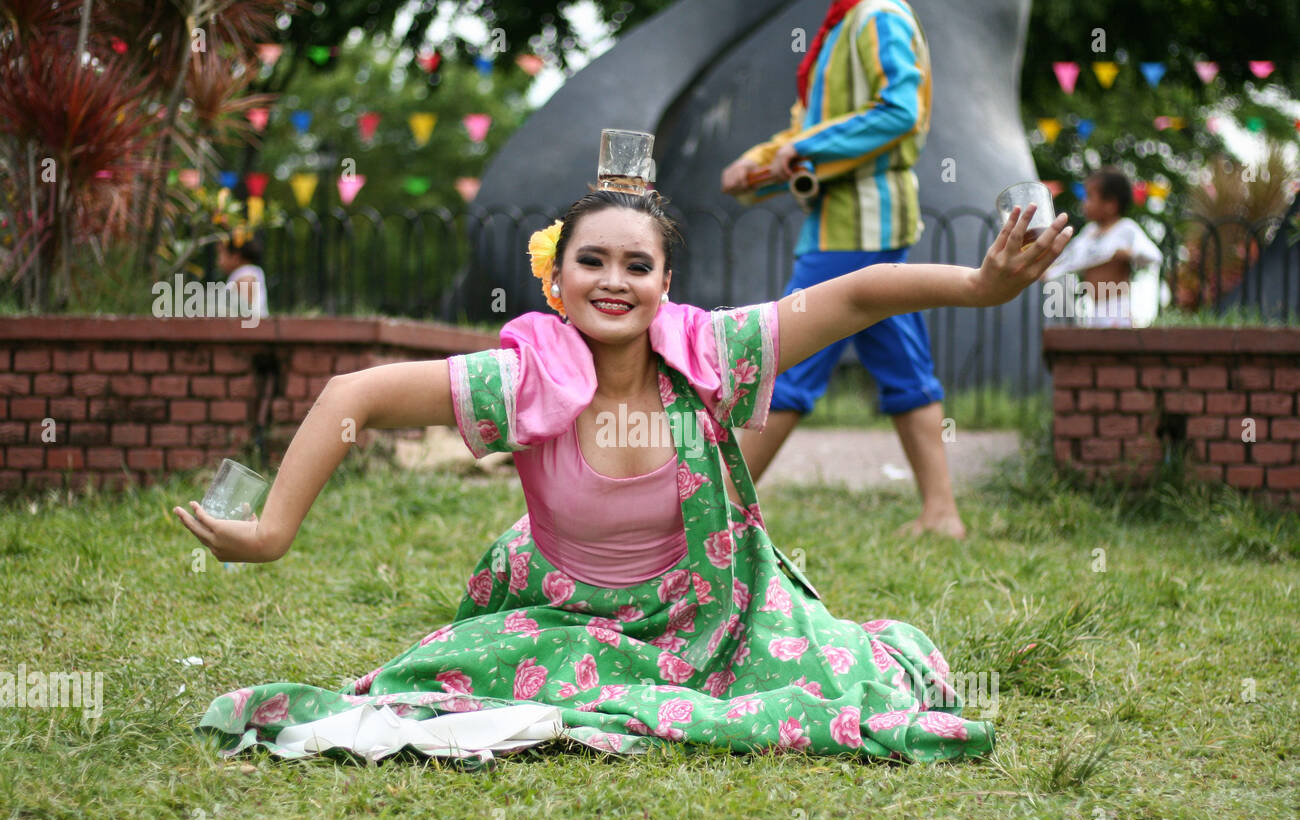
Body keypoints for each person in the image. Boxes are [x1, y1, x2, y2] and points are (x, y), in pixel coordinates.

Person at [174, 187, 1070, 766]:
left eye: (636, 265)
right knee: (431, 688)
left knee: (847, 685)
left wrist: (981, 287)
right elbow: (350, 396)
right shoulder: (522, 378)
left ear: (665, 282)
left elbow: (859, 293)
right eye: (590, 261)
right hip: (573, 610)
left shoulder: (712, 353)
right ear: (556, 281)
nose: (613, 280)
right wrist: (273, 530)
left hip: (713, 611)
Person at [721, 0, 964, 539]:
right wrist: (756, 167)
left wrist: (804, 146)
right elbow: (805, 132)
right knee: (903, 364)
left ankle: (721, 516)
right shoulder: (844, 24)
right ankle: (942, 514)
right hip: (846, 224)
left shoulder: (877, 15)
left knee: (784, 357)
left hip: (858, 227)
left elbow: (901, 110)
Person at [1043, 167, 1163, 327]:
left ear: (1110, 205)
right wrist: (1048, 271)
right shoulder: (1089, 233)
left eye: (1090, 197)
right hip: (1093, 308)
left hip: (1117, 308)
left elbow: (1154, 256)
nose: (1084, 203)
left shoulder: (1126, 228)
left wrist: (1128, 253)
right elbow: (1070, 259)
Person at [217, 233, 269, 323]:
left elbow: (244, 314)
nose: (218, 260)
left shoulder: (245, 277)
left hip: (249, 334)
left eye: (221, 253)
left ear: (235, 257)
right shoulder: (244, 274)